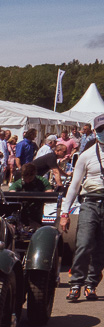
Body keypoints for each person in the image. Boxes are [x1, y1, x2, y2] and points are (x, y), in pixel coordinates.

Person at [63, 114, 104, 302]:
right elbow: (74, 185)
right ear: (96, 132)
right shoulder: (86, 155)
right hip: (89, 203)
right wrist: (65, 212)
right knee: (84, 243)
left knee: (101, 248)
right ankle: (76, 283)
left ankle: (91, 284)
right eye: (102, 130)